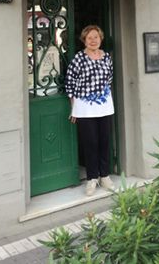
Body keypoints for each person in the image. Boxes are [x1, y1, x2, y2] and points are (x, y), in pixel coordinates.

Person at [65, 24, 115, 196]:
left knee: (104, 141)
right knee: (90, 142)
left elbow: (109, 79)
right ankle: (92, 178)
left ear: (101, 38)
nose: (93, 40)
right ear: (84, 40)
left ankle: (105, 176)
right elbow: (70, 84)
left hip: (104, 105)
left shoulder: (106, 57)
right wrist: (74, 109)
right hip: (84, 107)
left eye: (96, 37)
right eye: (89, 38)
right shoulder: (79, 58)